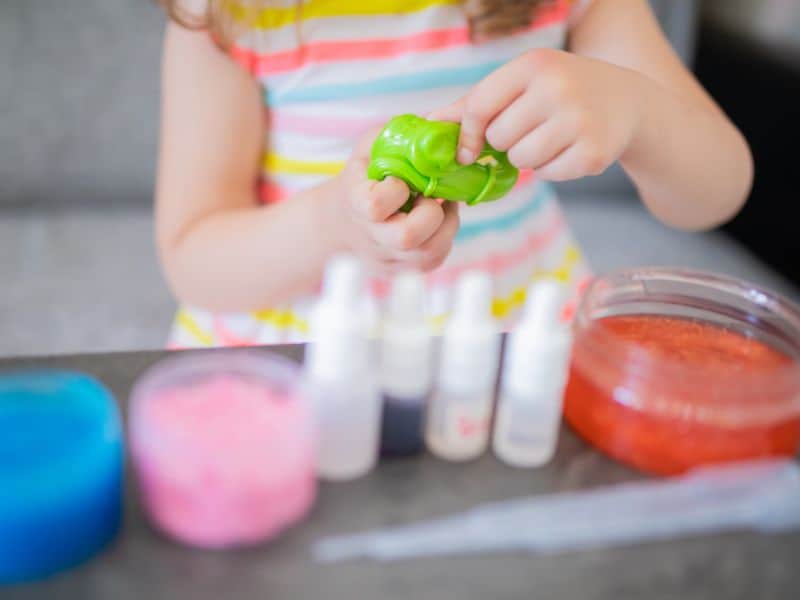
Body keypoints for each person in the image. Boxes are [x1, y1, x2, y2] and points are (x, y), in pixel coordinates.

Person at [156, 0, 752, 348]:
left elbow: (718, 192)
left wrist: (640, 112)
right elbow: (194, 259)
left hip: (517, 331)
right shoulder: (229, 15)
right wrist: (333, 224)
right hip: (307, 347)